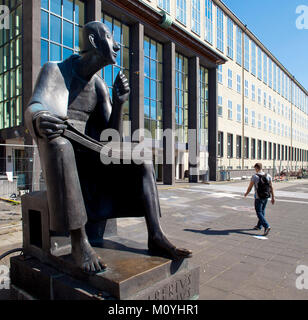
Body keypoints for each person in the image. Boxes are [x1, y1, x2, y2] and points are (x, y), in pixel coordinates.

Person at [25, 21, 192, 273]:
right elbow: (36, 104)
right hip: (61, 153)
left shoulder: (99, 86)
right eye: (110, 38)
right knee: (62, 147)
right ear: (93, 41)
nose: (116, 45)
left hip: (91, 156)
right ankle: (79, 241)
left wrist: (120, 102)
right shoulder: (55, 71)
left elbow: (109, 137)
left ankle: (156, 235)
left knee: (142, 158)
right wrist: (38, 118)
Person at [244, 163, 275, 236]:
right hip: (266, 196)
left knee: (258, 212)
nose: (255, 170)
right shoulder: (268, 176)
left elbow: (250, 187)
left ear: (257, 168)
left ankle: (266, 226)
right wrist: (273, 197)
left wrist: (246, 193)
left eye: (255, 168)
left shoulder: (255, 176)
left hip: (258, 197)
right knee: (262, 211)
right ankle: (259, 226)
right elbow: (271, 187)